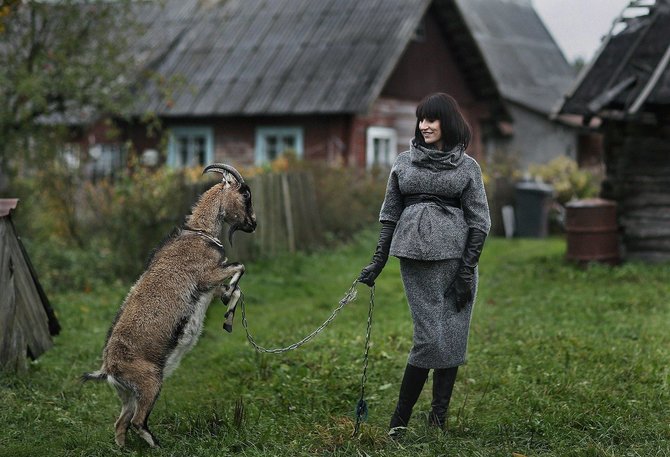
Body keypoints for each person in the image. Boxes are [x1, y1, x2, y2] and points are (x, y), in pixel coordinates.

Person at [358, 92, 491, 437]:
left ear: (447, 123)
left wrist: (465, 273)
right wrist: (377, 262)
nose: (424, 125)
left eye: (431, 119)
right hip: (416, 261)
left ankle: (438, 420)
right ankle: (398, 423)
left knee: (453, 339)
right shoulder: (404, 163)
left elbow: (479, 222)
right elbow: (389, 216)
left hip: (458, 263)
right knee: (430, 339)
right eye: (421, 119)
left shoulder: (468, 168)